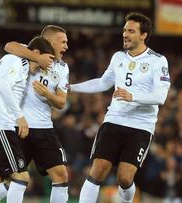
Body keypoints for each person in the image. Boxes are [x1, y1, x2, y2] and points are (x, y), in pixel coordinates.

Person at [70, 12, 171, 203]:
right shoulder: (118, 57)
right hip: (114, 119)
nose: (125, 34)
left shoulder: (158, 61)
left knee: (124, 178)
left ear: (143, 35)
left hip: (141, 125)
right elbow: (102, 83)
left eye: (131, 31)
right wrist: (72, 88)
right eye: (125, 30)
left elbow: (161, 96)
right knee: (98, 169)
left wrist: (132, 96)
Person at [0, 36, 55, 203]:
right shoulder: (14, 61)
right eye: (43, 61)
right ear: (36, 53)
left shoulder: (21, 63)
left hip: (3, 126)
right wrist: (19, 116)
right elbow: (2, 85)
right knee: (21, 178)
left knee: (7, 182)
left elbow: (19, 47)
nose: (40, 68)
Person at [3, 25, 70, 203]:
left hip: (44, 129)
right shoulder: (30, 51)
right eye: (63, 41)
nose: (66, 46)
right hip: (20, 126)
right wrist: (37, 58)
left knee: (61, 175)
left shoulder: (63, 68)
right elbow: (9, 46)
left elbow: (61, 102)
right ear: (50, 41)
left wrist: (48, 94)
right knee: (7, 181)